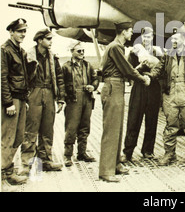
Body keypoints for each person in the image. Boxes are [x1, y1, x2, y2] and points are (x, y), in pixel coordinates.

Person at [99, 21, 150, 183]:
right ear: (122, 32)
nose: (131, 34)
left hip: (117, 86)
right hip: (113, 86)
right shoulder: (115, 47)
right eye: (129, 31)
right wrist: (142, 79)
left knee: (118, 128)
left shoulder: (117, 47)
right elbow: (127, 69)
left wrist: (136, 72)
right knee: (111, 130)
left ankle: (115, 165)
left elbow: (125, 69)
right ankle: (106, 170)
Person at [149, 26, 185, 168]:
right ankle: (169, 154)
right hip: (170, 94)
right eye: (172, 39)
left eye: (176, 39)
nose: (173, 41)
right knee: (171, 126)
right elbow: (158, 69)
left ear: (183, 39)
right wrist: (148, 76)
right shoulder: (167, 55)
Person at [21, 28, 66, 173]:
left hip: (48, 92)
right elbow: (23, 78)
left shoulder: (53, 58)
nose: (51, 42)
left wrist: (61, 98)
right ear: (40, 40)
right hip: (34, 92)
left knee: (47, 128)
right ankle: (27, 164)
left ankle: (46, 160)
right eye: (48, 39)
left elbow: (59, 78)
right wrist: (25, 98)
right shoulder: (28, 56)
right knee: (31, 129)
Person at [121, 27, 163, 162]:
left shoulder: (158, 53)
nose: (147, 39)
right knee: (134, 119)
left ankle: (148, 151)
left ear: (152, 38)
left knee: (152, 121)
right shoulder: (134, 53)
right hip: (139, 87)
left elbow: (162, 70)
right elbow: (128, 71)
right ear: (142, 38)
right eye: (145, 37)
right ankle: (128, 151)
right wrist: (140, 67)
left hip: (153, 87)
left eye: (150, 36)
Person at [1, 19, 30, 187]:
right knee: (8, 138)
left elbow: (24, 78)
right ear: (11, 32)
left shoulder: (20, 51)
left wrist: (24, 100)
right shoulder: (5, 50)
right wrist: (8, 102)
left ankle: (7, 169)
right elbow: (2, 78)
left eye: (24, 31)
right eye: (19, 31)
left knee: (18, 137)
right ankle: (5, 174)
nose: (23, 34)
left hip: (20, 99)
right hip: (11, 100)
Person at [62, 40, 99, 167]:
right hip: (73, 99)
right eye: (79, 51)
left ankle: (82, 153)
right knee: (71, 127)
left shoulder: (88, 65)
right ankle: (67, 155)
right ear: (72, 51)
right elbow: (61, 84)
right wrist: (65, 98)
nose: (82, 53)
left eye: (83, 51)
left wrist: (93, 87)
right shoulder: (66, 67)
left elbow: (95, 79)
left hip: (87, 98)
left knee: (85, 126)